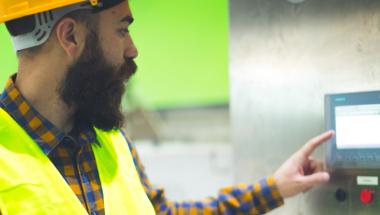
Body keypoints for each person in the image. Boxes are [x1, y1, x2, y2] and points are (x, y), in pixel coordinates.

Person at [0, 0, 333, 214]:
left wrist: (274, 187)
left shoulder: (108, 140)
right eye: (122, 30)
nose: (133, 50)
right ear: (70, 36)